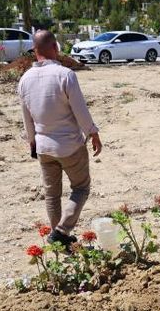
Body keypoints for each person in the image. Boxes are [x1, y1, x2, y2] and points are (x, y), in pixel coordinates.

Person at [18, 30, 103, 248]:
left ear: (34, 51)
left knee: (52, 195)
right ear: (55, 48)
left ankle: (59, 240)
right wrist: (92, 132)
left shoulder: (25, 79)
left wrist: (32, 142)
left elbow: (26, 118)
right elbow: (80, 111)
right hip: (70, 146)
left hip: (44, 147)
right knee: (81, 188)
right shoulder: (65, 75)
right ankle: (62, 231)